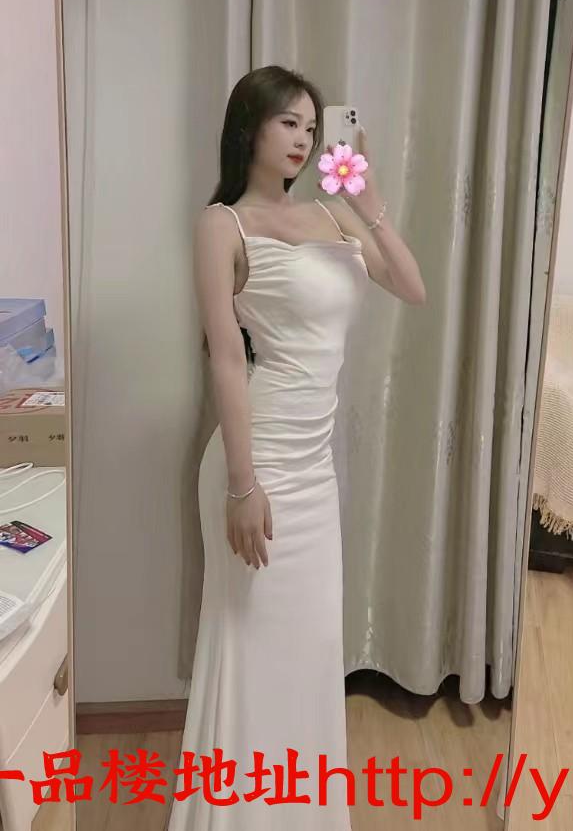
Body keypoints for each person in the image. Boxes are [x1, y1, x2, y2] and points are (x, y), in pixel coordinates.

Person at [167, 65, 426, 831]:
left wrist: (370, 207)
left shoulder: (334, 215)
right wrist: (241, 487)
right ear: (249, 126)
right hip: (259, 463)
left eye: (313, 128)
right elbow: (225, 358)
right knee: (251, 647)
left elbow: (411, 286)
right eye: (289, 122)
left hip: (314, 472)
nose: (304, 139)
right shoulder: (222, 224)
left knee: (309, 652)